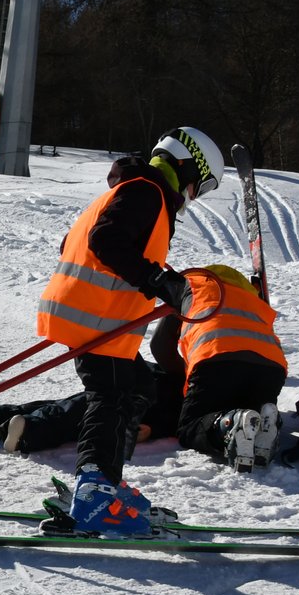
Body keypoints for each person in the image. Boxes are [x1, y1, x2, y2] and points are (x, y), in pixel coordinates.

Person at [33, 126, 224, 537]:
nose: (196, 193)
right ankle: (95, 492)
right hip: (94, 315)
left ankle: (106, 486)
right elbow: (106, 240)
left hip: (95, 314)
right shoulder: (146, 193)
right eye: (201, 184)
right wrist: (158, 281)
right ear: (189, 167)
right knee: (113, 394)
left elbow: (77, 240)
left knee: (138, 386)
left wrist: (162, 281)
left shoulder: (133, 188)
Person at [149, 264, 286, 471]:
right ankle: (266, 426)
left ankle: (228, 424)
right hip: (272, 368)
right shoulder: (251, 296)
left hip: (215, 359)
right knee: (253, 412)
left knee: (189, 427)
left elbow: (160, 347)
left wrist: (186, 376)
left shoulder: (191, 286)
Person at [0, 358, 181, 455]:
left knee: (86, 409)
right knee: (72, 406)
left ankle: (29, 430)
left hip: (161, 400)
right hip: (163, 390)